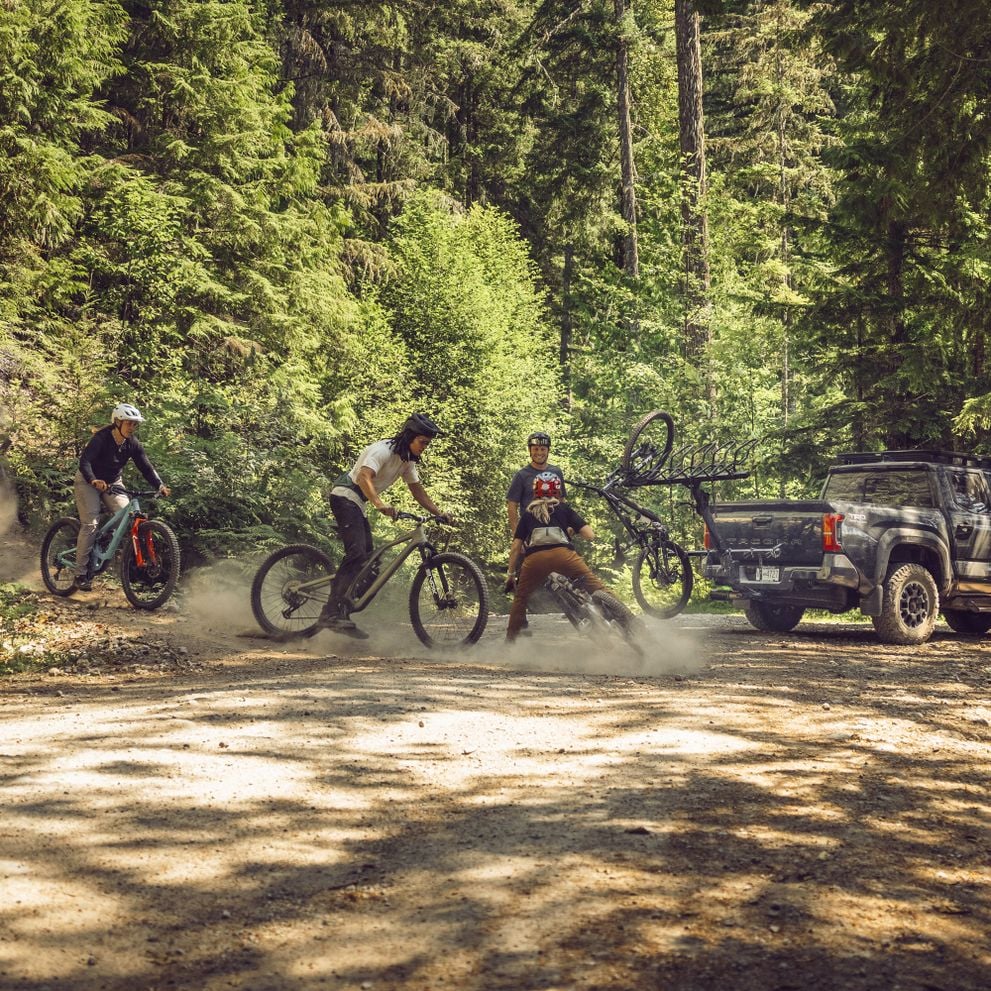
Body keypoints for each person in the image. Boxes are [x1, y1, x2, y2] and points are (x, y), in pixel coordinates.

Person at [321, 412, 450, 637]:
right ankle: (330, 613)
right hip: (344, 495)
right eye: (422, 442)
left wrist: (439, 513)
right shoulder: (382, 450)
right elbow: (364, 477)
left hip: (357, 502)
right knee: (357, 554)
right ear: (410, 436)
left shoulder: (406, 460)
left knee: (370, 563)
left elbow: (417, 490)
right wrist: (380, 504)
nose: (424, 447)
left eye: (427, 444)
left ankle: (343, 609)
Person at [75, 402, 170, 591]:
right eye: (129, 423)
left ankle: (104, 542)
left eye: (135, 424)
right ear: (117, 422)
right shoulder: (102, 438)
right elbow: (85, 462)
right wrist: (94, 480)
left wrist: (159, 485)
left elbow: (146, 467)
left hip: (113, 483)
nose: (132, 427)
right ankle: (80, 573)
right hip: (88, 481)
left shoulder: (132, 443)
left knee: (128, 517)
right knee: (91, 524)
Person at [505, 471, 608, 641]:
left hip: (535, 560)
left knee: (521, 598)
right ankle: (631, 622)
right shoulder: (564, 509)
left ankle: (510, 642)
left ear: (535, 492)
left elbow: (516, 546)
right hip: (564, 556)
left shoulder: (527, 515)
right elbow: (590, 535)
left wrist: (511, 574)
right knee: (598, 588)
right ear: (558, 492)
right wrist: (572, 529)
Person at [505, 431, 566, 536]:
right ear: (530, 450)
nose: (539, 453)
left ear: (548, 451)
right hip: (530, 529)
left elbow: (561, 500)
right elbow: (512, 505)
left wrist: (566, 524)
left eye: (543, 449)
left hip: (555, 527)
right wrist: (516, 533)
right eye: (535, 449)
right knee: (515, 552)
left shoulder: (556, 472)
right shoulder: (521, 475)